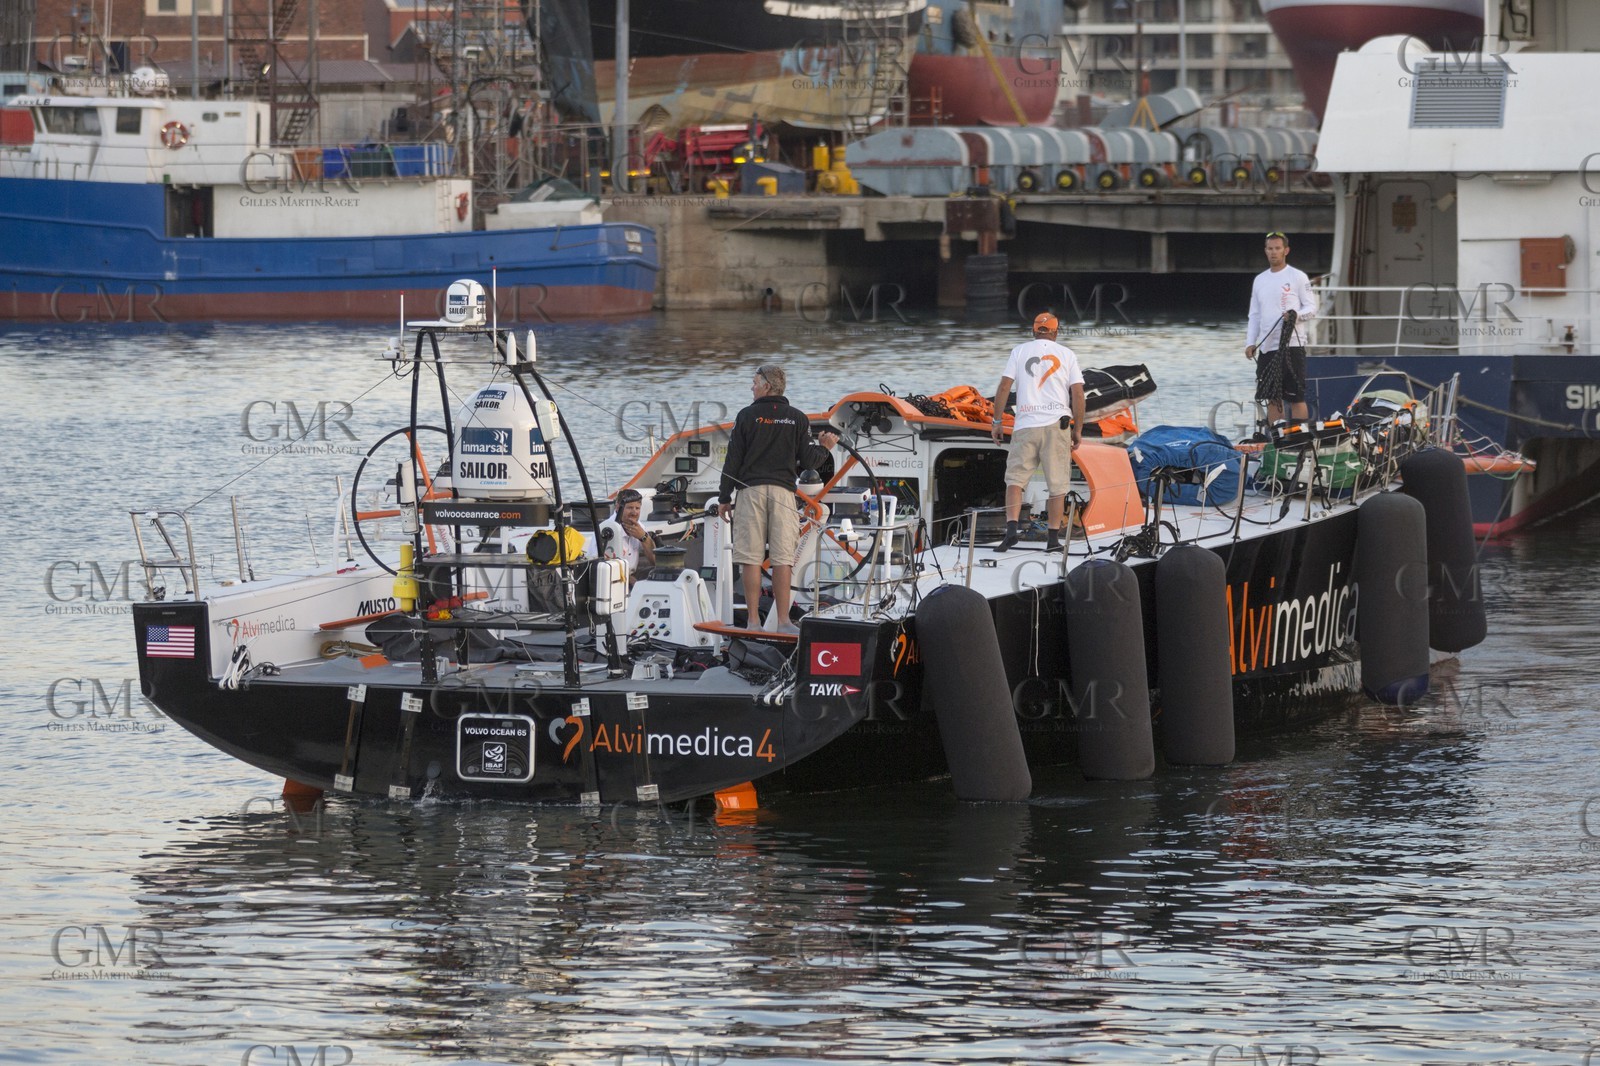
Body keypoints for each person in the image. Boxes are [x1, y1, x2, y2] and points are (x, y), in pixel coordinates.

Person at [715, 364, 840, 633]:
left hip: (750, 493)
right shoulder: (797, 418)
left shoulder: (746, 416)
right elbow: (810, 461)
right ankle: (783, 622)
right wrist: (825, 448)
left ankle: (753, 622)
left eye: (754, 382)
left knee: (751, 557)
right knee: (783, 558)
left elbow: (732, 460)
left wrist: (724, 497)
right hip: (784, 494)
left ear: (767, 386)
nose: (752, 387)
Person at [990, 313, 1087, 552]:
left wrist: (997, 421)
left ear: (1034, 330)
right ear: (1056, 331)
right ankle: (1053, 540)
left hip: (1025, 425)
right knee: (1057, 487)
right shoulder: (1067, 354)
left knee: (1015, 481)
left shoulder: (1019, 351)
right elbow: (1077, 393)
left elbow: (1004, 386)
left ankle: (1011, 532)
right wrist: (1078, 429)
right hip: (1057, 426)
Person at [1245, 231, 1318, 426]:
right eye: (1270, 249)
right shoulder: (1260, 280)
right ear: (1265, 251)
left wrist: (1295, 315)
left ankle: (1299, 438)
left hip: (1292, 345)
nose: (1273, 252)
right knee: (1273, 397)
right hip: (1268, 347)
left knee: (1296, 397)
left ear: (1286, 251)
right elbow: (1254, 315)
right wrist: (1250, 342)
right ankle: (1276, 437)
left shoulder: (1298, 276)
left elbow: (1311, 308)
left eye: (1277, 248)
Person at [598, 487, 655, 583]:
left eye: (637, 508)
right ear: (617, 507)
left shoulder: (639, 526)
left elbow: (655, 561)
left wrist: (644, 537)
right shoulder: (607, 529)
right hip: (611, 580)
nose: (634, 512)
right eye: (630, 508)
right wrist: (633, 583)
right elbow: (601, 566)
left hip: (632, 575)